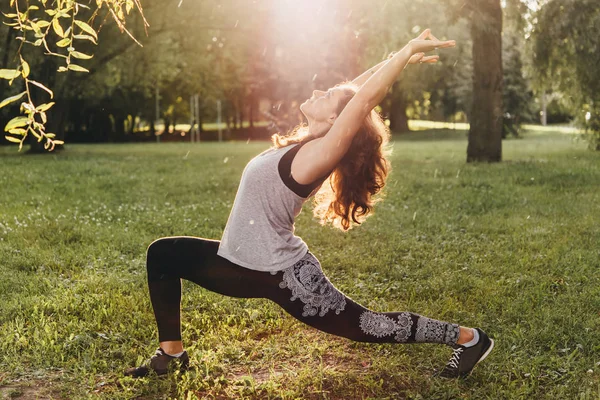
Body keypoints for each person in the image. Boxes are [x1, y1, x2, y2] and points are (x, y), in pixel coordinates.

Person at [125, 29, 493, 380]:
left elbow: (361, 100)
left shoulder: (320, 153)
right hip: (238, 262)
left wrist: (405, 53)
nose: (318, 90)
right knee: (163, 255)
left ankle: (469, 339)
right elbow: (356, 91)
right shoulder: (306, 142)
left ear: (336, 120)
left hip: (282, 275)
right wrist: (396, 60)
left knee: (366, 326)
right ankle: (172, 355)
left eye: (327, 95)